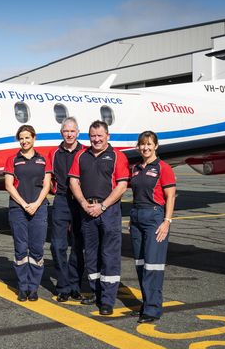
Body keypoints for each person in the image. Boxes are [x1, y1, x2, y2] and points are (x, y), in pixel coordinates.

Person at [68, 120, 129, 316]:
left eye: (100, 136)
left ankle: (107, 300)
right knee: (91, 254)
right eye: (93, 136)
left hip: (109, 211)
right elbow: (73, 181)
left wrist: (102, 206)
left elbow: (122, 186)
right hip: (87, 210)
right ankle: (96, 292)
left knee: (109, 255)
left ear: (107, 136)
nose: (96, 139)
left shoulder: (117, 156)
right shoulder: (81, 155)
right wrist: (83, 203)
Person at [129, 131, 176, 323]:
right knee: (141, 264)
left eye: (149, 144)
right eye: (142, 144)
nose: (145, 148)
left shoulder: (163, 168)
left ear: (156, 146)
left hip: (154, 217)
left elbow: (170, 196)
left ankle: (153, 309)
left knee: (153, 265)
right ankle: (146, 303)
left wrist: (167, 221)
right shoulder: (136, 168)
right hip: (136, 216)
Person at [4, 125, 52, 302]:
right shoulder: (12, 159)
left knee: (37, 249)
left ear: (34, 138)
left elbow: (47, 185)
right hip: (18, 209)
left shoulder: (43, 159)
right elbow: (9, 185)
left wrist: (36, 204)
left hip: (39, 208)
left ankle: (33, 288)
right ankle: (23, 287)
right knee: (21, 249)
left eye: (27, 137)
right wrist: (25, 205)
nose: (24, 141)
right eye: (21, 138)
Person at [48, 117, 86, 302]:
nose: (69, 134)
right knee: (57, 245)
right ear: (61, 133)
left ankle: (75, 285)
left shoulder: (86, 152)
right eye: (66, 131)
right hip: (62, 201)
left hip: (81, 202)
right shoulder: (54, 153)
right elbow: (48, 178)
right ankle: (63, 286)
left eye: (72, 131)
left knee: (78, 245)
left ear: (78, 133)